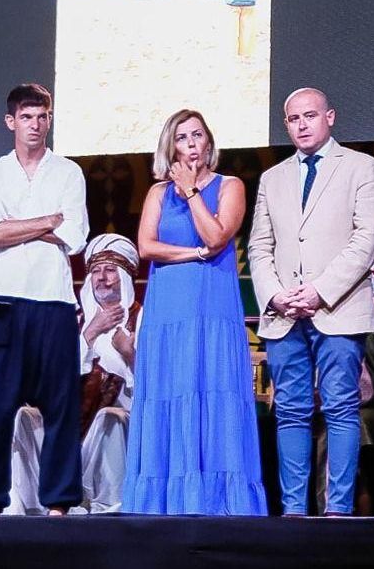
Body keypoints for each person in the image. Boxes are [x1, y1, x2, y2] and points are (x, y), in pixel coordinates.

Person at [247, 87, 374, 516]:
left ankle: (338, 510)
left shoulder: (362, 167)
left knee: (342, 408)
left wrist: (320, 291)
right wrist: (275, 293)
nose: (302, 125)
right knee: (290, 410)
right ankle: (293, 510)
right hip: (284, 313)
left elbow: (367, 239)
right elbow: (259, 246)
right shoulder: (273, 178)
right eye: (293, 119)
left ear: (330, 117)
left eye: (310, 116)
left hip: (338, 307)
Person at [125, 109, 266, 515]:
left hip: (211, 308)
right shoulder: (156, 193)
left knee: (210, 392)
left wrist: (190, 193)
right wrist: (191, 254)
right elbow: (146, 248)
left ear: (208, 143)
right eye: (183, 137)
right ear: (171, 147)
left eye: (197, 135)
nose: (191, 144)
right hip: (167, 311)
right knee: (170, 394)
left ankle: (219, 502)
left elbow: (217, 236)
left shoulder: (230, 186)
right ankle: (163, 502)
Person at [0, 83, 89, 516]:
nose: (35, 125)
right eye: (27, 117)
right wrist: (47, 221)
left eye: (42, 117)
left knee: (60, 406)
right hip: (1, 301)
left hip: (53, 301)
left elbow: (73, 237)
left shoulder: (69, 173)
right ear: (10, 121)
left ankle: (59, 502)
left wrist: (17, 225)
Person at [8, 234, 141, 514]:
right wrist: (91, 332)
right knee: (25, 417)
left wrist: (129, 354)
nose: (102, 279)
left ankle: (110, 508)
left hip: (124, 424)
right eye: (95, 271)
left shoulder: (142, 319)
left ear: (126, 277)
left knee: (109, 418)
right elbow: (52, 379)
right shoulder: (76, 321)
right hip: (71, 424)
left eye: (110, 270)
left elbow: (154, 388)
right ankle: (29, 510)